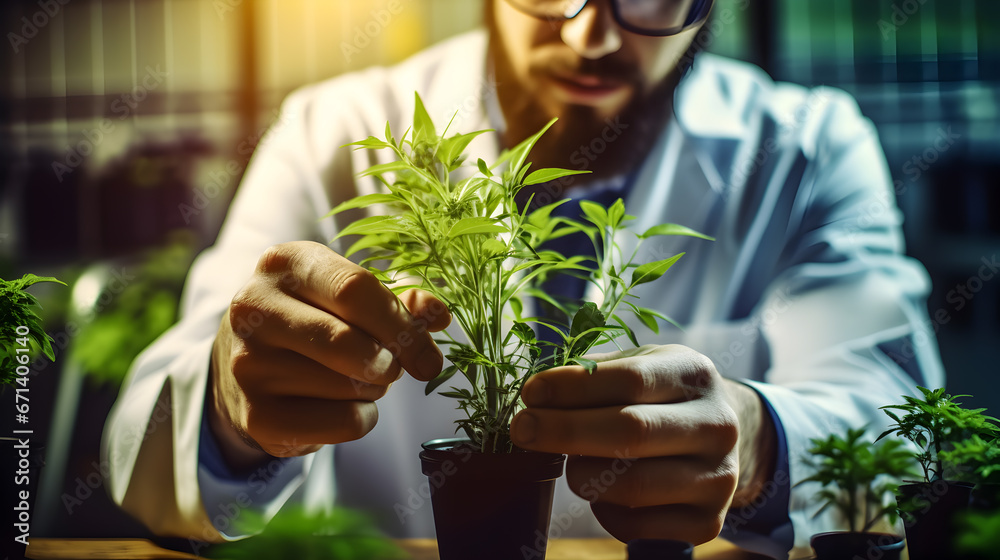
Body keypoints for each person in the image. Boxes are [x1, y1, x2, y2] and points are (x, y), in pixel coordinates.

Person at [102, 1, 943, 558]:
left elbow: (900, 421)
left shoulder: (805, 147)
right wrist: (229, 406)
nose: (591, 36)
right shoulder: (337, 130)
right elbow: (147, 425)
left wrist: (760, 441)